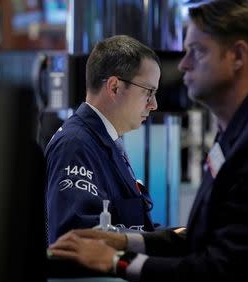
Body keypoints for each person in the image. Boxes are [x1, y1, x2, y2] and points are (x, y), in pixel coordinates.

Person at [48, 1, 248, 282]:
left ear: (238, 55)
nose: (184, 63)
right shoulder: (240, 133)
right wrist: (125, 243)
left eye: (196, 51)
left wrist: (118, 261)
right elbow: (207, 242)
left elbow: (219, 273)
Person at [45, 35, 161, 244]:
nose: (154, 105)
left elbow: (128, 224)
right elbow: (76, 238)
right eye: (148, 92)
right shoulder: (75, 145)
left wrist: (171, 237)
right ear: (114, 87)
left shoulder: (105, 142)